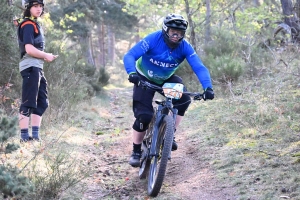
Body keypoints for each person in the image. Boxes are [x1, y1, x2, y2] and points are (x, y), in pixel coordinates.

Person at [123, 13, 215, 167]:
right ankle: (136, 150)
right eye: (173, 31)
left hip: (166, 79)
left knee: (184, 99)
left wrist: (208, 88)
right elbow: (130, 55)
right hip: (143, 77)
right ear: (165, 29)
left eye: (179, 33)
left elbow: (199, 67)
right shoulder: (153, 39)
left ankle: (169, 135)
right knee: (144, 116)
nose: (176, 35)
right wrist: (132, 73)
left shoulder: (185, 47)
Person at [18, 0, 58, 142]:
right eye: (35, 6)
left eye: (41, 6)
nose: (39, 9)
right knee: (28, 101)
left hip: (37, 67)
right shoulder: (28, 24)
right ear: (29, 8)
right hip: (30, 67)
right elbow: (29, 49)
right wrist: (46, 55)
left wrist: (45, 56)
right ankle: (24, 137)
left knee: (42, 102)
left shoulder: (34, 24)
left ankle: (35, 136)